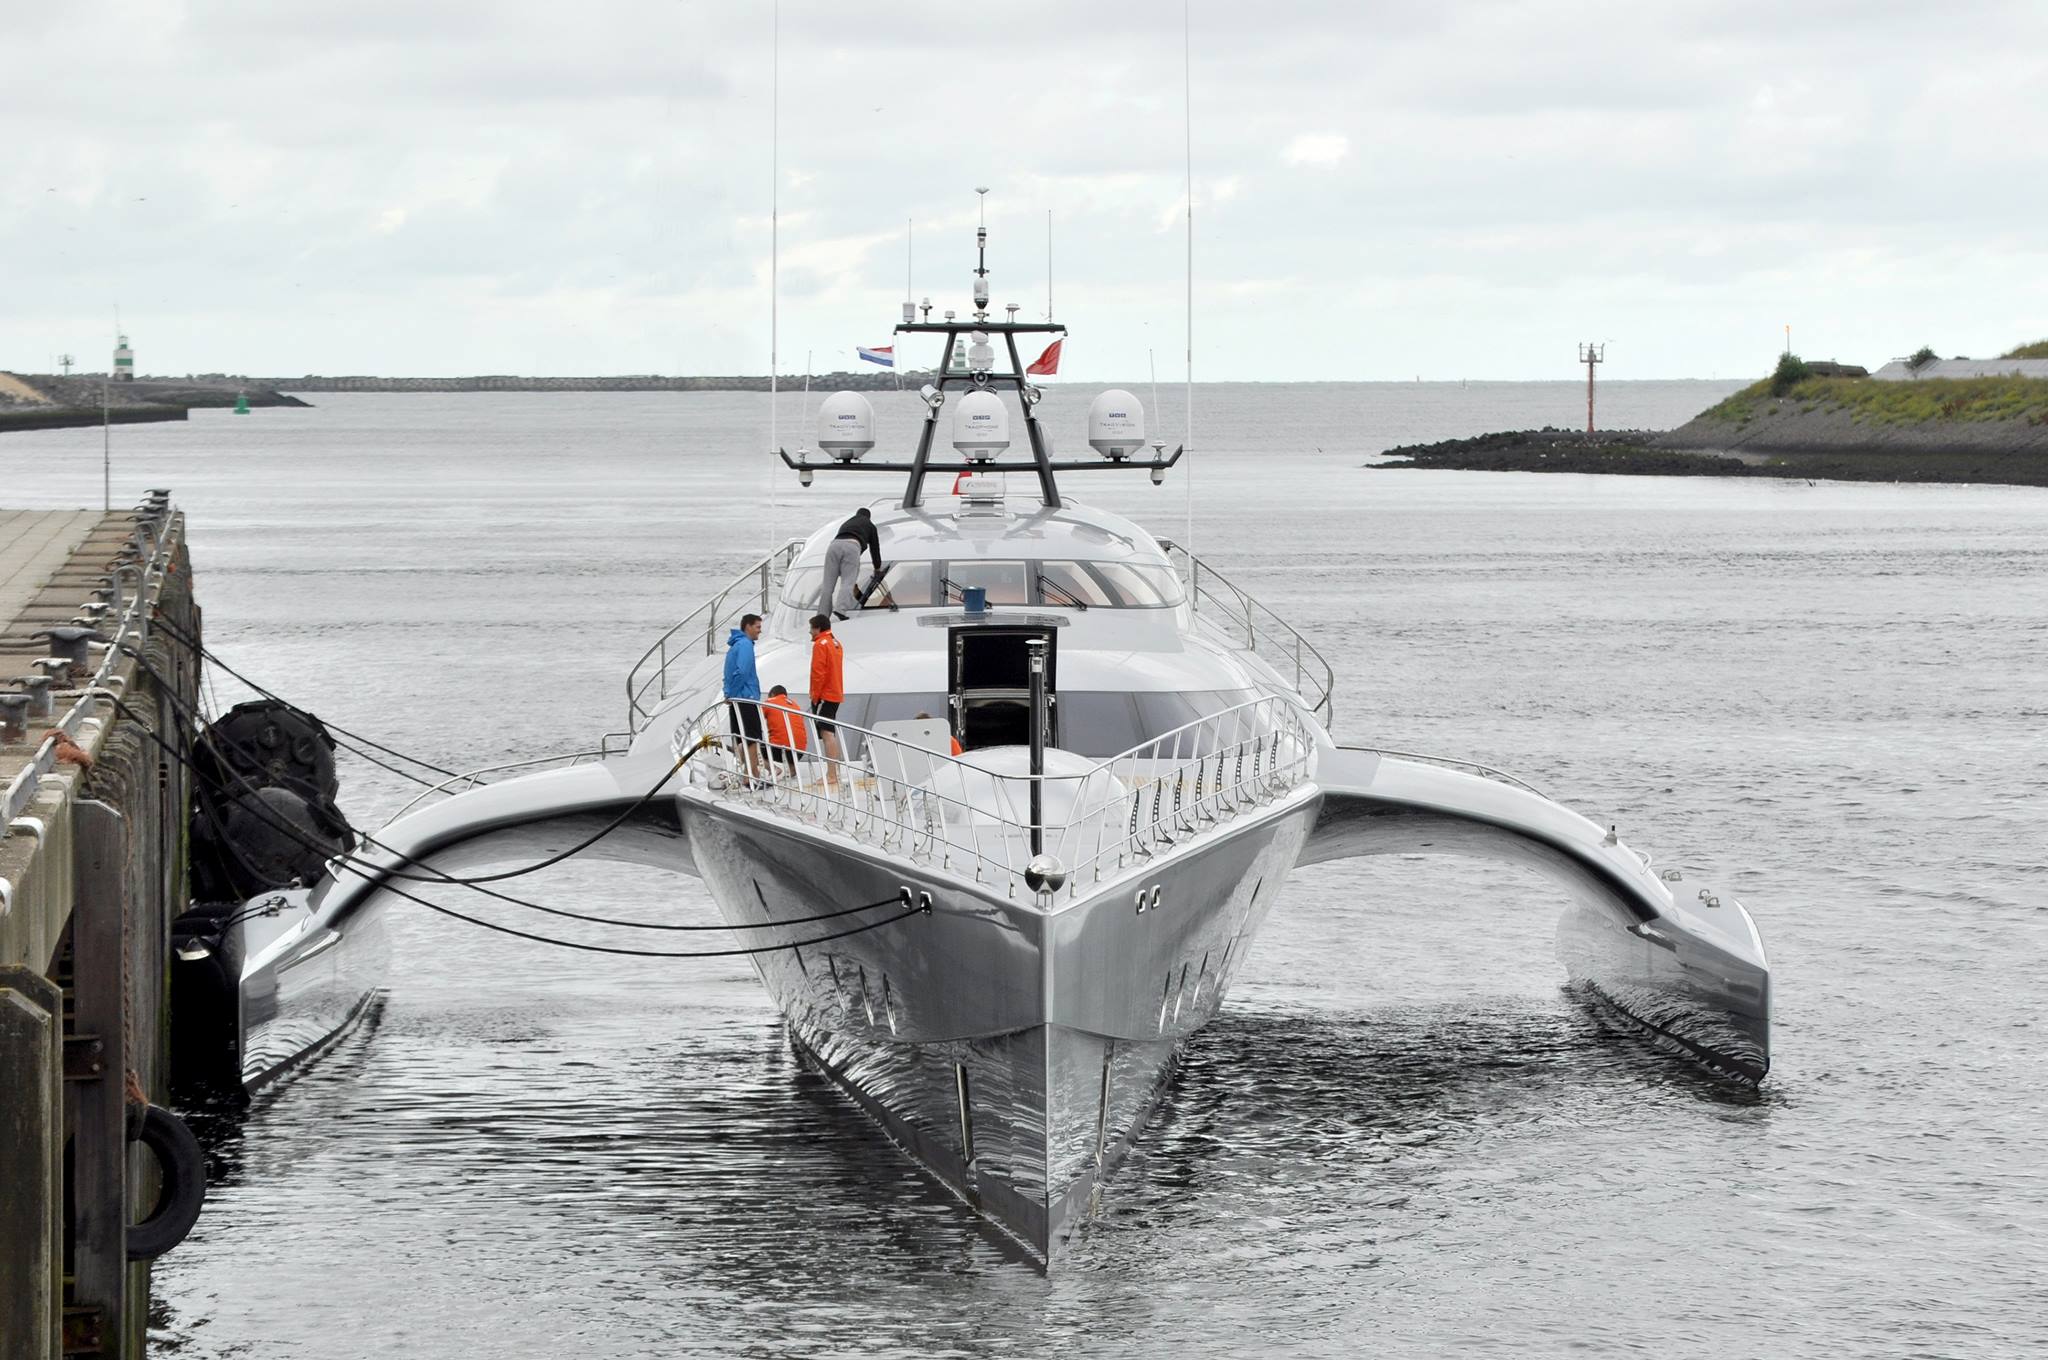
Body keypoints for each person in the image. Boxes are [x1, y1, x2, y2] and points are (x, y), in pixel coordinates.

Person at [817, 507, 882, 619]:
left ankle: (822, 615)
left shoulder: (847, 522)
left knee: (827, 585)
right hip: (852, 546)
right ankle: (840, 610)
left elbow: (841, 541)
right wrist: (877, 568)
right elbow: (874, 549)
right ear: (869, 517)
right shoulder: (870, 526)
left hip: (834, 546)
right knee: (848, 582)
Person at [723, 614, 765, 778]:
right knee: (752, 737)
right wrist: (732, 694)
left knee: (740, 737)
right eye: (758, 627)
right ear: (748, 626)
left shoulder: (734, 646)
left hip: (737, 698)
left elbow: (728, 673)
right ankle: (752, 774)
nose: (759, 631)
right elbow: (742, 671)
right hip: (746, 698)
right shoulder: (746, 645)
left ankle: (747, 773)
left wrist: (728, 693)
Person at [809, 613, 845, 778]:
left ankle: (831, 774)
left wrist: (815, 697)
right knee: (829, 731)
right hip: (835, 693)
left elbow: (818, 673)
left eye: (811, 628)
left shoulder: (820, 645)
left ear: (818, 628)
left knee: (826, 732)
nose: (810, 632)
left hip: (825, 695)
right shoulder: (836, 643)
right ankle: (834, 771)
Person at [762, 684, 808, 776]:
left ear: (772, 694)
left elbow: (755, 717)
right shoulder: (795, 705)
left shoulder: (770, 702)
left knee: (751, 749)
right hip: (799, 751)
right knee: (791, 737)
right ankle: (792, 769)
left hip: (780, 750)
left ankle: (774, 769)